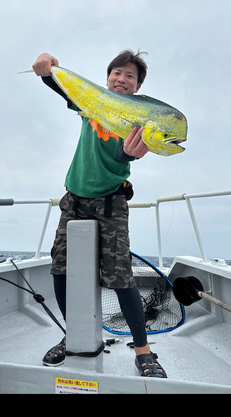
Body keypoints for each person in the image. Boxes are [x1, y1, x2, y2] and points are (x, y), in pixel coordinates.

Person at [32, 50, 167, 378]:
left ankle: (143, 350)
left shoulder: (138, 119)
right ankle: (71, 334)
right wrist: (47, 72)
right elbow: (66, 88)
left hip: (110, 202)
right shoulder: (89, 104)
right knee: (60, 270)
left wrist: (131, 154)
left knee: (120, 275)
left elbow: (123, 151)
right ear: (107, 78)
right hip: (74, 199)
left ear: (137, 89)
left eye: (130, 76)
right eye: (116, 73)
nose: (122, 79)